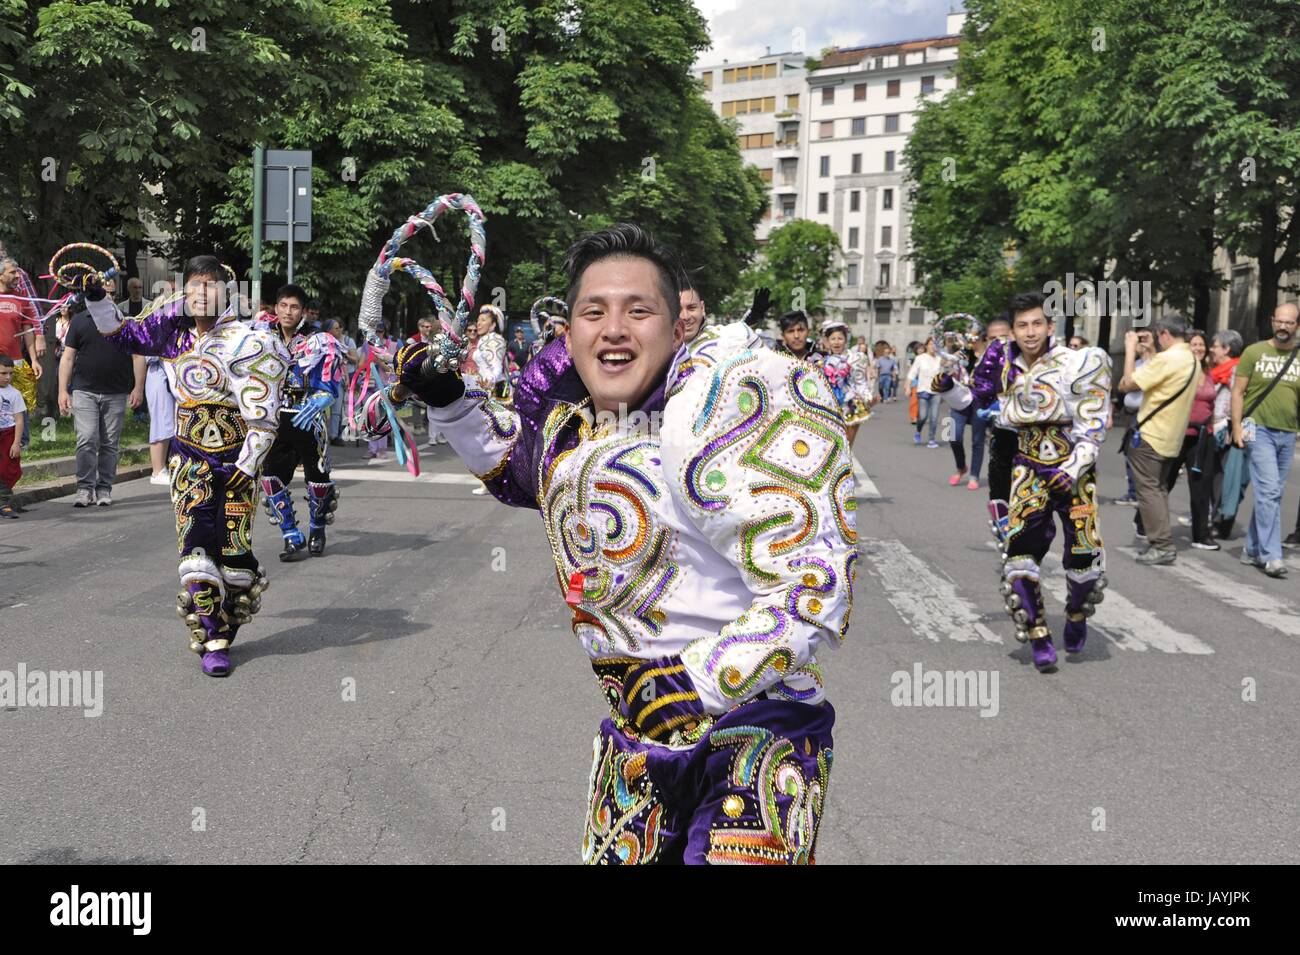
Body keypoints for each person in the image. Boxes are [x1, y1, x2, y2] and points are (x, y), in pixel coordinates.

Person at [369, 224, 854, 864]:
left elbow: (814, 586)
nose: (614, 328)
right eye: (593, 312)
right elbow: (523, 473)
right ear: (568, 334)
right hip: (637, 738)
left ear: (678, 325)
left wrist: (696, 681)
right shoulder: (579, 427)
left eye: (639, 310)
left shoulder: (725, 405)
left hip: (757, 728)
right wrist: (450, 401)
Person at [80, 255, 289, 676]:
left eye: (210, 285)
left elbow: (264, 420)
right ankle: (212, 639)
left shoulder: (251, 341)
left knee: (234, 557)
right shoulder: (171, 334)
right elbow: (122, 335)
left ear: (227, 292)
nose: (200, 293)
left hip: (236, 464)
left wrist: (245, 467)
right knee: (195, 551)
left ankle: (225, 627)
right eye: (193, 284)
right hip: (190, 460)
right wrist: (96, 298)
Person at [942, 292, 1111, 671]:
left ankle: (1076, 614)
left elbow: (1094, 426)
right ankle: (1038, 635)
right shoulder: (1002, 362)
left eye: (1037, 324)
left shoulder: (1079, 362)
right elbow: (972, 402)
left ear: (1051, 326)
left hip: (1075, 469)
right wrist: (947, 388)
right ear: (1013, 331)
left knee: (1084, 561)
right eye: (1022, 325)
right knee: (1019, 556)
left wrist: (1071, 469)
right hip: (1028, 465)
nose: (1030, 332)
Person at [256, 285, 345, 560]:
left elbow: (331, 383)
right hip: (273, 417)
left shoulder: (318, 339)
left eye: (294, 307)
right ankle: (291, 534)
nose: (287, 312)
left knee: (317, 478)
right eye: (283, 305)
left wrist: (323, 398)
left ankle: (317, 528)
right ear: (276, 307)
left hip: (308, 418)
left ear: (303, 311)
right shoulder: (262, 334)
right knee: (271, 476)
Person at [1118, 315, 1200, 566]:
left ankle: (1162, 545)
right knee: (1159, 489)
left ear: (1164, 333)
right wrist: (1151, 350)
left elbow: (1126, 384)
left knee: (1149, 491)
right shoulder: (1191, 359)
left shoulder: (1168, 359)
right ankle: (1162, 540)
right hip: (1171, 436)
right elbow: (1161, 379)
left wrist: (1131, 350)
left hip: (1151, 434)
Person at [1232, 303, 1300, 578]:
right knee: (1269, 491)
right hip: (1258, 431)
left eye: (1289, 323)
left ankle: (1251, 547)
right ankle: (1271, 556)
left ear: (1297, 326)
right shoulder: (1254, 352)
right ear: (1272, 321)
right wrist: (1236, 427)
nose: (1283, 327)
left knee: (1271, 493)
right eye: (1279, 321)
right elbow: (1238, 393)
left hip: (1288, 433)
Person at [58, 295, 143, 507]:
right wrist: (62, 390)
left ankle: (104, 487)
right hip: (84, 390)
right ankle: (84, 488)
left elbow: (138, 357)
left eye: (110, 293)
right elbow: (68, 357)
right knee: (86, 438)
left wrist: (138, 388)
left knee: (109, 443)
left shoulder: (125, 320)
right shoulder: (79, 320)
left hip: (116, 391)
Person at [1165, 330, 1218, 549]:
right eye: (1194, 344)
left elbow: (1212, 404)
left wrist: (1212, 427)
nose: (1198, 348)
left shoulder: (1209, 372)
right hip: (1178, 433)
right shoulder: (1179, 370)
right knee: (1165, 481)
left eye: (1201, 345)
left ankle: (1200, 534)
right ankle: (1144, 521)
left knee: (1201, 485)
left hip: (1203, 436)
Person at [0, 257, 44, 447]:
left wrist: (33, 359)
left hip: (15, 360)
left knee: (20, 400)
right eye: (12, 272)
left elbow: (28, 331)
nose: (17, 276)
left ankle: (21, 441)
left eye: (17, 272)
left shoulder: (22, 299)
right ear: (1, 276)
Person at [1209, 330, 1245, 540]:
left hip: (1229, 430)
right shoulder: (1218, 370)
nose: (1212, 349)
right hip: (1217, 429)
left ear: (1226, 349)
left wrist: (1234, 428)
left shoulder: (1237, 369)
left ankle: (1221, 522)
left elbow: (1237, 401)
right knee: (1215, 476)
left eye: (1215, 345)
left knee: (1226, 477)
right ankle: (1216, 518)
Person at [1114, 328, 1155, 506]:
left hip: (1145, 414)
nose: (1140, 341)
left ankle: (1141, 493)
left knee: (1142, 455)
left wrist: (1150, 348)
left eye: (1144, 337)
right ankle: (1132, 492)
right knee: (1129, 453)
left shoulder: (1156, 363)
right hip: (1131, 415)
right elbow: (1123, 386)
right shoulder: (1136, 364)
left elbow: (1132, 384)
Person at [945, 330, 989, 490]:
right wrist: (950, 361)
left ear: (983, 339)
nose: (971, 341)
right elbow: (947, 368)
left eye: (974, 338)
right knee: (953, 436)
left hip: (979, 402)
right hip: (959, 399)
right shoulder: (963, 354)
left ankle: (974, 475)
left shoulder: (989, 356)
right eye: (969, 337)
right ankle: (961, 467)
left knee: (977, 441)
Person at [821, 319, 873, 447]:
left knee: (847, 446)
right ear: (827, 341)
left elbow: (860, 381)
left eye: (840, 338)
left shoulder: (855, 359)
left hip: (850, 405)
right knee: (830, 446)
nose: (836, 342)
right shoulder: (822, 362)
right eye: (833, 339)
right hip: (829, 407)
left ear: (846, 340)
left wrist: (866, 396)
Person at [0, 355, 26, 518]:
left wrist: (16, 443)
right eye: (3, 373)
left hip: (8, 434)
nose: (8, 377)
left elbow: (19, 420)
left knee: (8, 469)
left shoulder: (14, 394)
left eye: (10, 373)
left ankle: (4, 503)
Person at [907, 338, 943, 447]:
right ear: (927, 346)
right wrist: (908, 386)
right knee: (923, 416)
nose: (933, 346)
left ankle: (931, 439)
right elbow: (912, 373)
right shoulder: (920, 358)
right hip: (923, 391)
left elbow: (946, 370)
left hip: (936, 391)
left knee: (934, 416)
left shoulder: (939, 359)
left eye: (935, 344)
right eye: (931, 344)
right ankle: (918, 431)